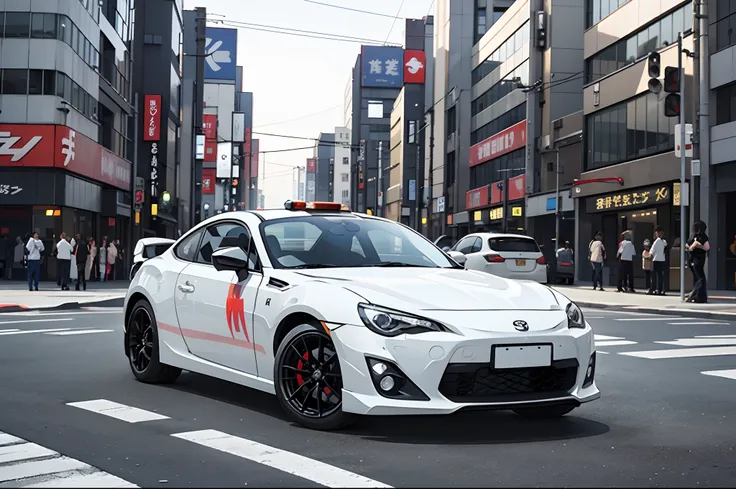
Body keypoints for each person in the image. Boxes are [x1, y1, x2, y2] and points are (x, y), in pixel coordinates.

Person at [686, 221, 709, 303]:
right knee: (697, 277)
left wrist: (696, 245)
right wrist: (689, 246)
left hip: (699, 259)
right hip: (693, 258)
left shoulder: (703, 237)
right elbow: (688, 244)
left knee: (700, 277)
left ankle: (699, 296)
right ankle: (695, 295)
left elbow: (706, 247)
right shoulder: (694, 236)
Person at [649, 226, 667, 295]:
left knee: (655, 275)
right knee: (660, 276)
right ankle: (660, 289)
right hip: (662, 260)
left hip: (656, 260)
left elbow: (652, 251)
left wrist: (650, 256)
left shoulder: (657, 241)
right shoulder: (663, 241)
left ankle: (654, 289)